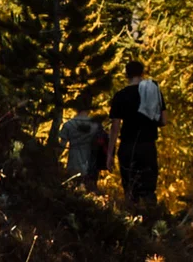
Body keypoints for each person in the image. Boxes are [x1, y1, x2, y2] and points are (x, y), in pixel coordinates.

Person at [107, 58, 164, 209]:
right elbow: (163, 120)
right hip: (148, 146)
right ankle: (153, 224)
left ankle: (132, 224)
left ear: (127, 75)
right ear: (142, 73)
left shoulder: (120, 95)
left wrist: (110, 153)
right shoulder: (153, 92)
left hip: (128, 146)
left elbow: (115, 127)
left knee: (130, 189)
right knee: (149, 189)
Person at [58, 108, 107, 190]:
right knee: (89, 190)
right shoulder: (96, 126)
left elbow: (61, 147)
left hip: (73, 161)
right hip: (90, 164)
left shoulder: (68, 125)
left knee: (72, 187)